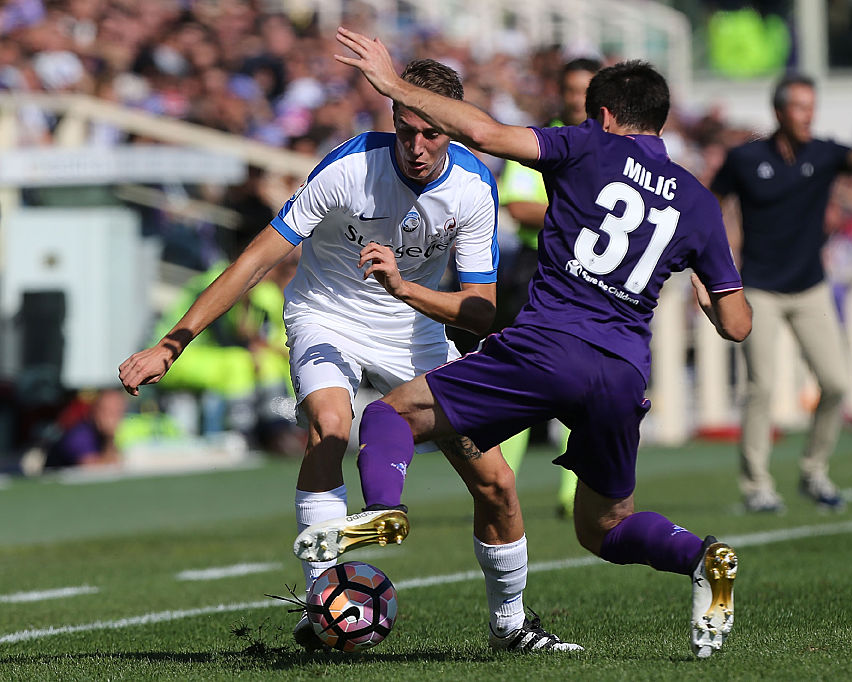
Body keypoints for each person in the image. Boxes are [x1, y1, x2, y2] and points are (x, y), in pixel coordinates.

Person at [303, 26, 752, 659]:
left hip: (548, 347)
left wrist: (393, 83)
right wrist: (712, 296)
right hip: (623, 371)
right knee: (606, 527)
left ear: (602, 114)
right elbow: (736, 325)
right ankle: (704, 556)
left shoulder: (588, 146)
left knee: (388, 413)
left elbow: (483, 134)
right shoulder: (699, 201)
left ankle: (385, 509)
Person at [119, 59, 577, 653]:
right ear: (393, 118)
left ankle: (510, 626)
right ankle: (325, 605)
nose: (416, 146)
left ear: (454, 130)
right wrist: (171, 344)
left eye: (431, 133)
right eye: (405, 129)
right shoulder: (350, 166)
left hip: (415, 332)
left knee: (496, 483)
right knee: (331, 428)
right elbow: (256, 259)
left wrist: (405, 289)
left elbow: (481, 312)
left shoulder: (473, 188)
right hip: (325, 314)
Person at [710, 73, 852, 514]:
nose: (808, 116)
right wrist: (713, 256)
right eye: (799, 107)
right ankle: (757, 485)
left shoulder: (825, 153)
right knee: (761, 388)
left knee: (836, 383)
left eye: (812, 107)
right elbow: (708, 200)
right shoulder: (745, 158)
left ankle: (814, 473)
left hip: (810, 286)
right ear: (778, 112)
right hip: (759, 288)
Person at [495, 56, 601, 519]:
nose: (578, 98)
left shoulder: (617, 144)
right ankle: (499, 485)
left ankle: (571, 492)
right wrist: (580, 216)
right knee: (521, 381)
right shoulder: (539, 141)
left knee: (585, 387)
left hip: (596, 275)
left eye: (587, 89)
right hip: (539, 271)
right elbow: (517, 206)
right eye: (572, 88)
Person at [45, 388, 126, 469]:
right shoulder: (79, 435)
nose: (114, 418)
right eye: (109, 412)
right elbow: (92, 468)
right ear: (95, 410)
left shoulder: (115, 434)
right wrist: (110, 438)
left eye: (118, 412)